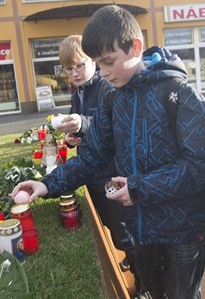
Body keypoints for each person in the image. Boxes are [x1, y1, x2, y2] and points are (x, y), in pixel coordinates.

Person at [12, 5, 205, 299]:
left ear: (135, 47)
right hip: (141, 228)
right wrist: (46, 185)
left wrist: (138, 187)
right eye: (98, 63)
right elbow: (92, 156)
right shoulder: (115, 100)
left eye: (108, 62)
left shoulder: (181, 95)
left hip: (184, 231)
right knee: (154, 292)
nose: (104, 73)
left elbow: (199, 169)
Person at [54, 34, 138, 278]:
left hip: (112, 174)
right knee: (113, 228)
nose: (76, 73)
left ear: (92, 61)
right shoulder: (77, 92)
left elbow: (113, 126)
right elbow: (80, 128)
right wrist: (72, 138)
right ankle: (133, 263)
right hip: (92, 174)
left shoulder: (106, 87)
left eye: (80, 65)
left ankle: (143, 282)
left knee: (124, 231)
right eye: (69, 69)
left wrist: (83, 123)